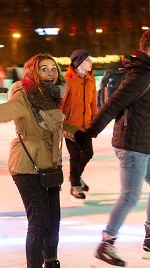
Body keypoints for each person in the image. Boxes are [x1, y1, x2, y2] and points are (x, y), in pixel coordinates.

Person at [74, 30, 150, 266]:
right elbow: (114, 104)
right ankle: (106, 244)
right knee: (130, 196)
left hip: (143, 145)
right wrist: (90, 133)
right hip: (132, 146)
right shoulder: (142, 76)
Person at [0, 54, 78, 268]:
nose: (50, 73)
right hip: (27, 165)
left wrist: (76, 131)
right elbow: (4, 112)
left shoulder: (53, 97)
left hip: (49, 164)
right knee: (39, 223)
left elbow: (55, 124)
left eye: (53, 69)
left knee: (53, 221)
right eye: (44, 69)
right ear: (33, 72)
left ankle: (51, 262)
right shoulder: (24, 94)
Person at [62, 50, 97, 201]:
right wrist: (61, 125)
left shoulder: (91, 79)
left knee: (88, 153)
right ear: (79, 62)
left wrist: (95, 122)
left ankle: (75, 177)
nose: (91, 62)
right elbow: (59, 104)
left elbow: (93, 103)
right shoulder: (67, 80)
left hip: (85, 125)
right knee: (75, 155)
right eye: (88, 60)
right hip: (70, 125)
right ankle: (75, 185)